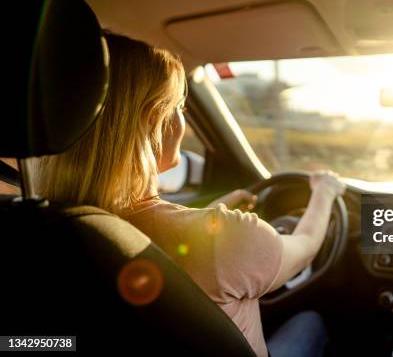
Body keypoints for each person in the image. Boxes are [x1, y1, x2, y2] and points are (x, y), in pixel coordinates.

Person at [33, 32, 345, 357]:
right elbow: (306, 247)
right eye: (180, 106)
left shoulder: (48, 230)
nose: (183, 119)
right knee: (311, 322)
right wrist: (324, 191)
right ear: (156, 120)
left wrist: (210, 217)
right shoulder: (226, 240)